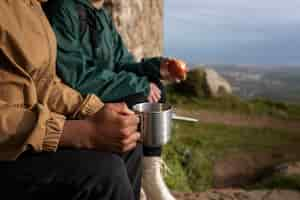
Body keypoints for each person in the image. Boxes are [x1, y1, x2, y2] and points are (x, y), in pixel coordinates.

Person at [0, 1, 143, 199]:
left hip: (26, 137)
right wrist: (86, 132)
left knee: (128, 142)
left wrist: (95, 109)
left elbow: (43, 83)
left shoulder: (31, 6)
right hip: (9, 148)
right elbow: (77, 74)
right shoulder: (63, 8)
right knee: (104, 172)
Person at [44, 0, 187, 200]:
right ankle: (132, 187)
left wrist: (156, 68)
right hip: (78, 99)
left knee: (156, 90)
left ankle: (150, 174)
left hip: (102, 88)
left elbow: (122, 64)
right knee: (139, 102)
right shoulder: (64, 8)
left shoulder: (101, 15)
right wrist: (141, 86)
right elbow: (76, 76)